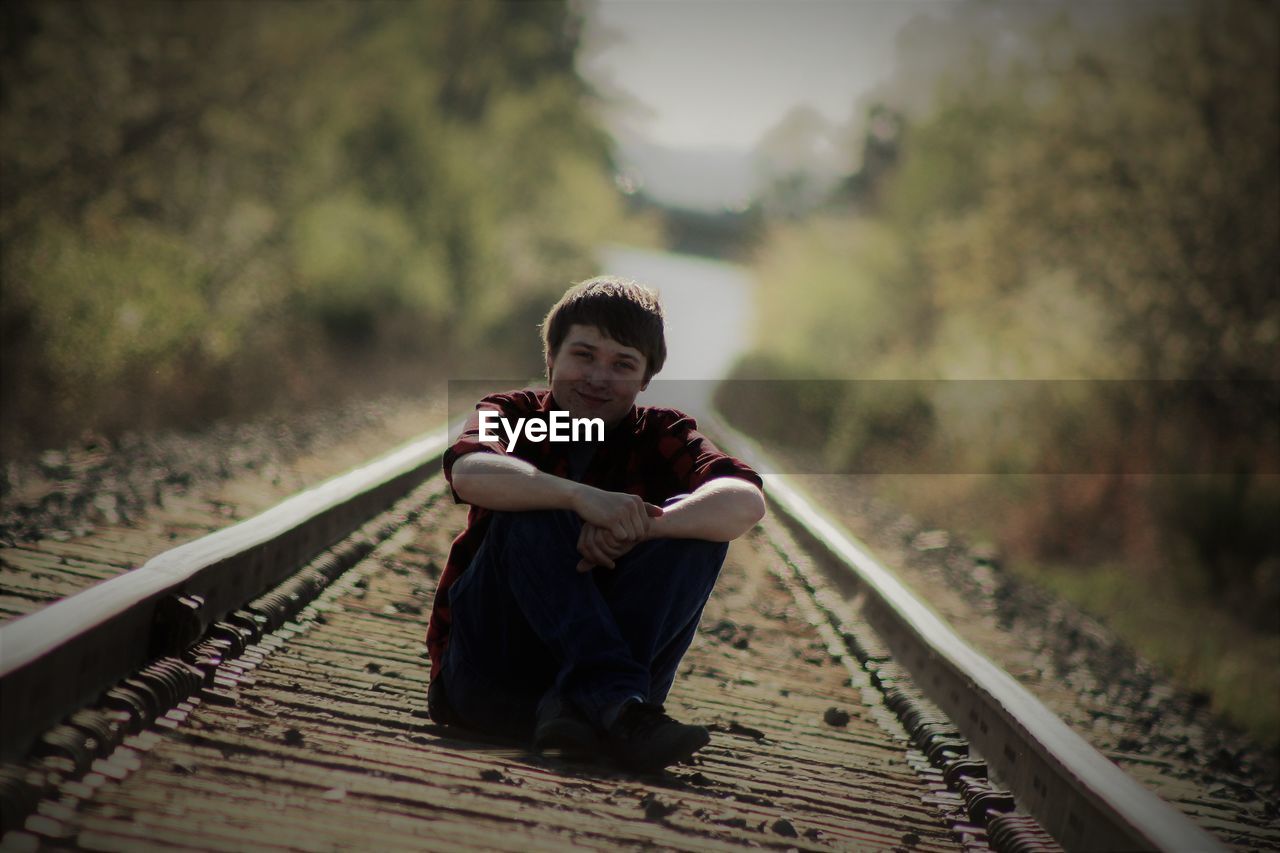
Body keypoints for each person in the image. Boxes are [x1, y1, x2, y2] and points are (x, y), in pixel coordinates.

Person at [425, 276, 766, 772]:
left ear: (645, 379)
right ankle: (609, 699)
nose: (599, 378)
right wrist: (581, 499)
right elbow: (469, 469)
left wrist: (643, 525)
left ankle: (583, 703)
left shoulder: (658, 433)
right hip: (489, 682)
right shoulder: (517, 415)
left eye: (622, 365)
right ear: (552, 358)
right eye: (583, 355)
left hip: (589, 721)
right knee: (534, 505)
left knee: (696, 533)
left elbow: (744, 500)